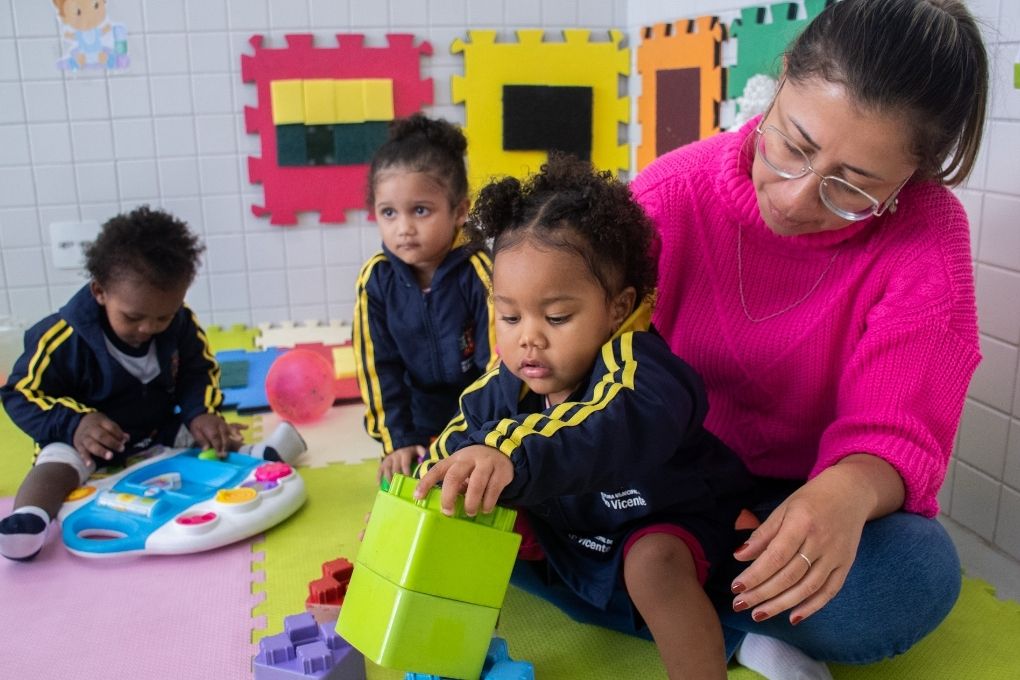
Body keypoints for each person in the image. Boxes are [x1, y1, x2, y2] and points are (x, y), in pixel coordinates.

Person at [629, 0, 987, 677]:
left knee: (915, 573)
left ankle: (661, 602)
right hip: (656, 488)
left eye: (854, 189)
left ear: (911, 179)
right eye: (793, 146)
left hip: (790, 508)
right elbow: (563, 361)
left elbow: (898, 433)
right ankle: (716, 618)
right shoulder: (668, 195)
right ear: (784, 75)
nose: (796, 200)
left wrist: (847, 490)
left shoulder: (928, 235)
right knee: (513, 496)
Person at [414, 155, 753, 679]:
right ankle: (457, 663)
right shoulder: (509, 380)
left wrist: (505, 453)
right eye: (509, 315)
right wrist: (425, 496)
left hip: (663, 520)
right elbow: (462, 434)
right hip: (578, 536)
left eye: (556, 317)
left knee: (653, 566)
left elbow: (599, 428)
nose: (529, 337)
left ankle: (717, 654)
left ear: (616, 309)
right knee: (464, 510)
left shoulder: (640, 369)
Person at [0, 206, 306, 561]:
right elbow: (20, 393)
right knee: (58, 461)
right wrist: (74, 423)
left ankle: (262, 457)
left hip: (156, 429)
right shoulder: (62, 336)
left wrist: (200, 413)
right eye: (132, 317)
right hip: (85, 442)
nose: (148, 328)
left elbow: (199, 369)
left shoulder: (180, 323)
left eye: (163, 315)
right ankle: (30, 520)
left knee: (206, 434)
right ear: (100, 291)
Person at [353, 114, 495, 484]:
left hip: (480, 410)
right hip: (417, 417)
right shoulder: (377, 279)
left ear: (459, 211)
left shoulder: (480, 270)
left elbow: (497, 362)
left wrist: (480, 436)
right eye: (389, 213)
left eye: (420, 210)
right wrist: (397, 441)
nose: (404, 228)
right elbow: (377, 368)